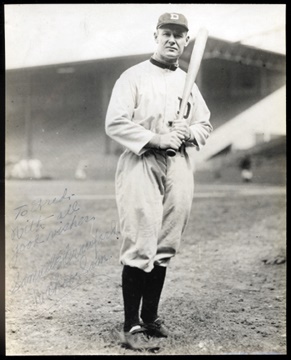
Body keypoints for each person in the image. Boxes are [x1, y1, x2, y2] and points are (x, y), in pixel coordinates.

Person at [105, 12, 213, 351]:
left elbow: (205, 125)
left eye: (179, 35)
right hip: (141, 162)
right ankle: (130, 326)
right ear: (156, 36)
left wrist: (187, 133)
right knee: (139, 244)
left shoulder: (188, 83)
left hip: (179, 164)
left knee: (165, 246)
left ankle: (150, 318)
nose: (172, 40)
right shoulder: (133, 77)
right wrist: (156, 138)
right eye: (166, 33)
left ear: (185, 42)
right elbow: (115, 123)